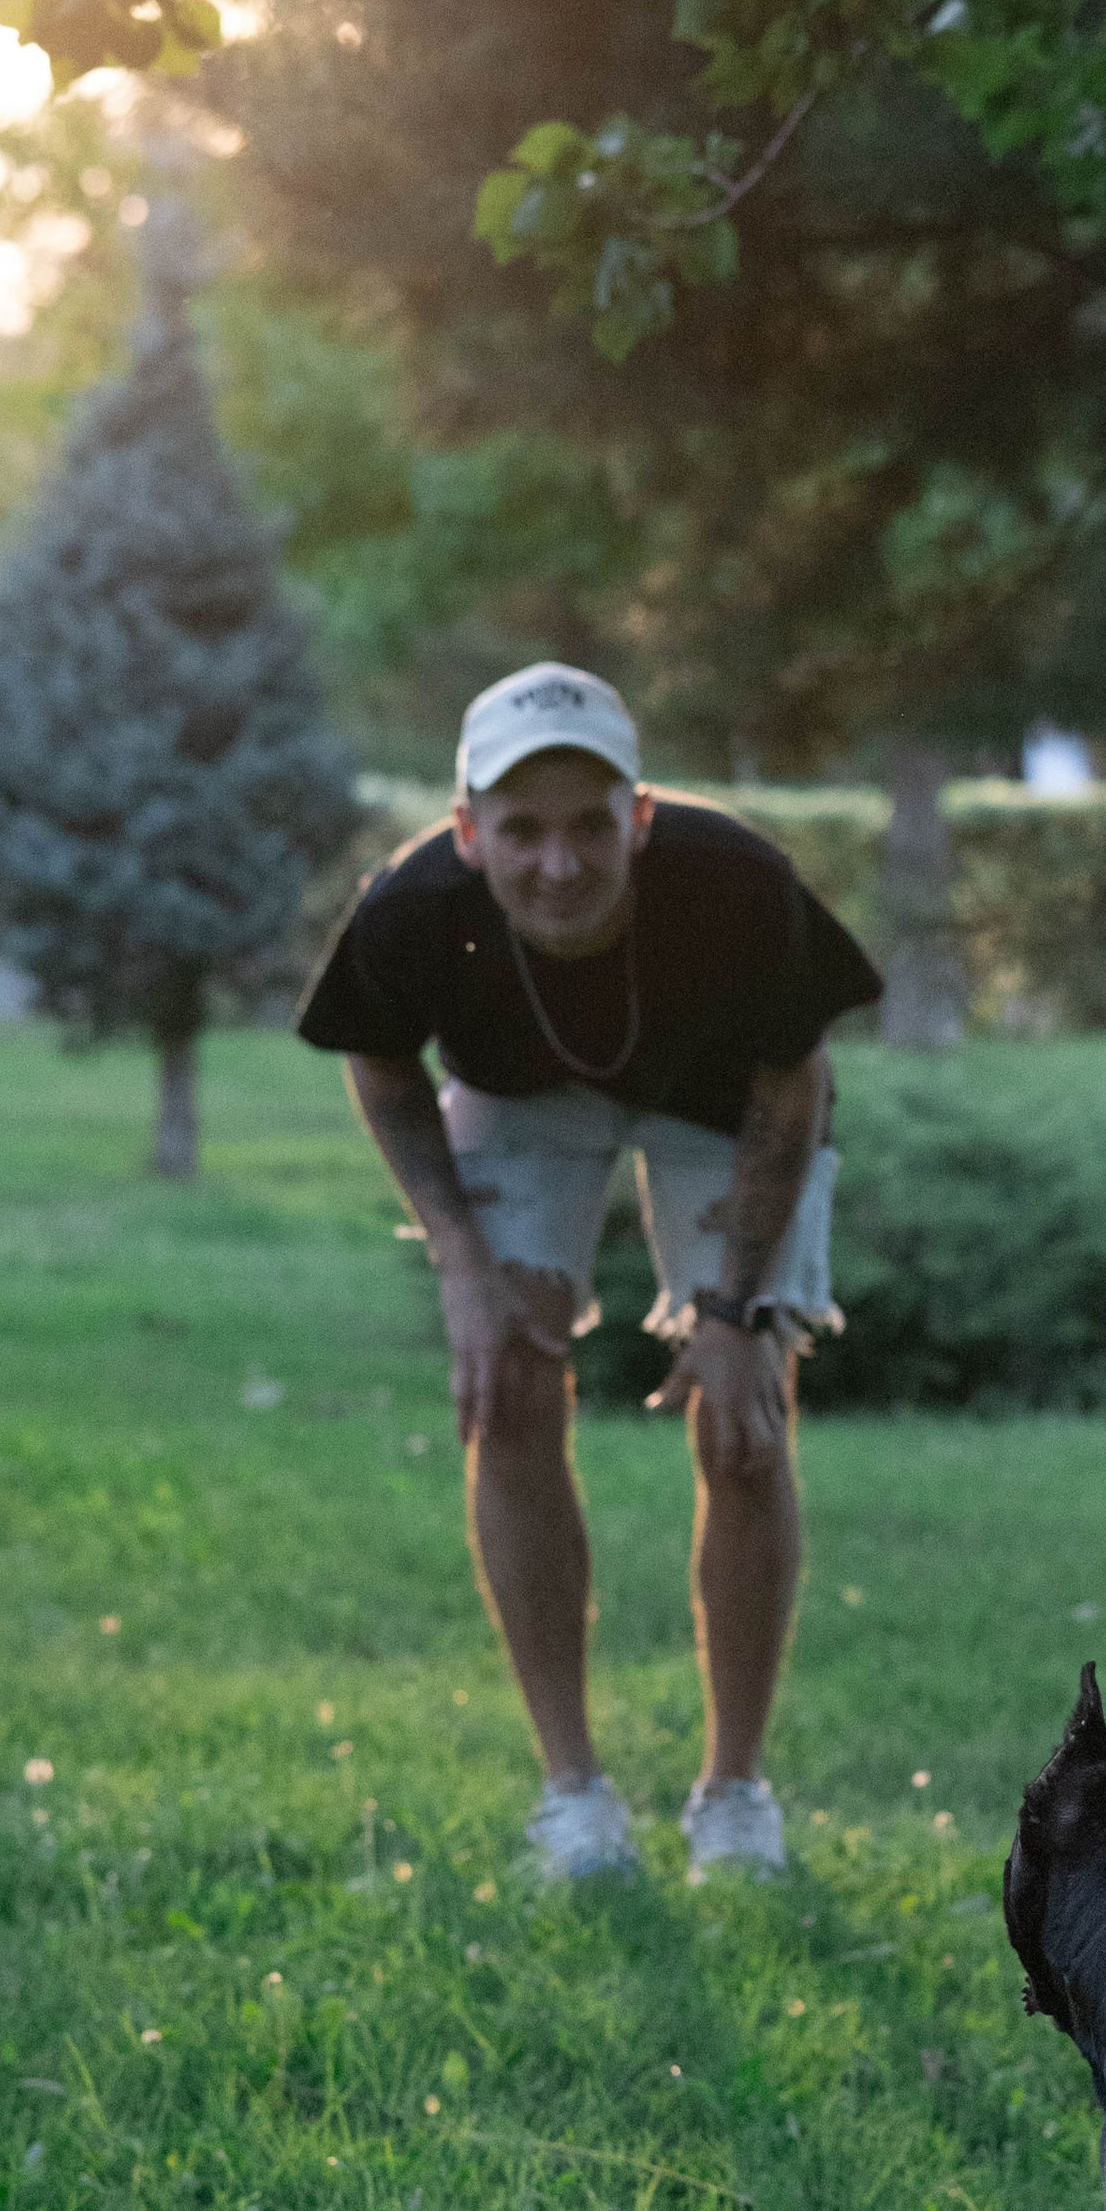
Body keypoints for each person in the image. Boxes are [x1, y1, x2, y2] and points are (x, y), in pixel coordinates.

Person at [297, 662, 881, 1881]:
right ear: (468, 832)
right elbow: (379, 1061)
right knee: (504, 1383)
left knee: (744, 1421)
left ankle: (734, 1795)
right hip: (519, 1097)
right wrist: (461, 1260)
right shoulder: (412, 907)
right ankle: (574, 1798)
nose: (555, 864)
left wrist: (729, 1313)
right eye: (519, 830)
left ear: (640, 817)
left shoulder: (735, 883)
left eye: (587, 826)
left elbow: (794, 1076)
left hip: (724, 1107)